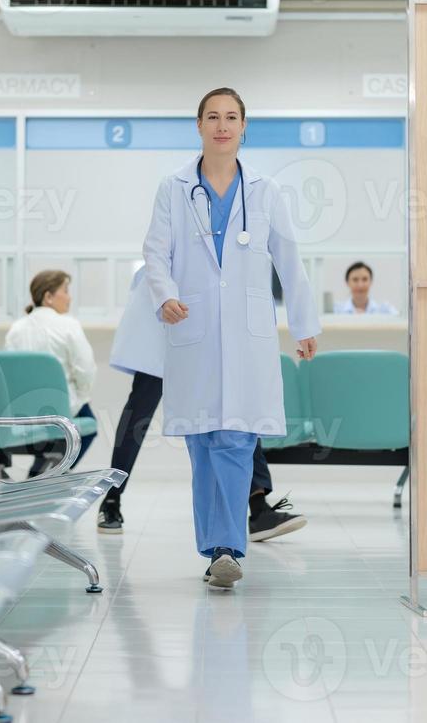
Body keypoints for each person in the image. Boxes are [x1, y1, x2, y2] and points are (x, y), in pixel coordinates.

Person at [141, 87, 321, 590]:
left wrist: (303, 325)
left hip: (248, 337)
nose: (222, 125)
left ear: (244, 127)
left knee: (238, 436)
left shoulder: (265, 190)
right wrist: (164, 294)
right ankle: (216, 544)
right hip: (192, 328)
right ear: (198, 125)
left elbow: (289, 258)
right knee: (204, 443)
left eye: (232, 117)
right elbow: (155, 251)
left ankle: (226, 549)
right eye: (213, 116)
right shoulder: (173, 188)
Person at [100, 267, 307, 542]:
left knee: (237, 413)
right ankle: (111, 500)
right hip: (165, 324)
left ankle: (258, 509)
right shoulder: (170, 230)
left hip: (207, 334)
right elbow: (156, 264)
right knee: (138, 414)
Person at [4, 269, 97, 475]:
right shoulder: (68, 325)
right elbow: (85, 368)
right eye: (65, 290)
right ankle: (52, 472)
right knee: (90, 425)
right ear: (48, 297)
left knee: (42, 434)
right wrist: (81, 396)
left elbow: (9, 373)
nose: (69, 297)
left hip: (24, 409)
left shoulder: (16, 329)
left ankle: (42, 469)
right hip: (61, 408)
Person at [333, 261, 399, 316]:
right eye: (355, 280)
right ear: (347, 282)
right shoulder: (336, 311)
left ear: (371, 281)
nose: (360, 285)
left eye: (365, 279)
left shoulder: (385, 310)